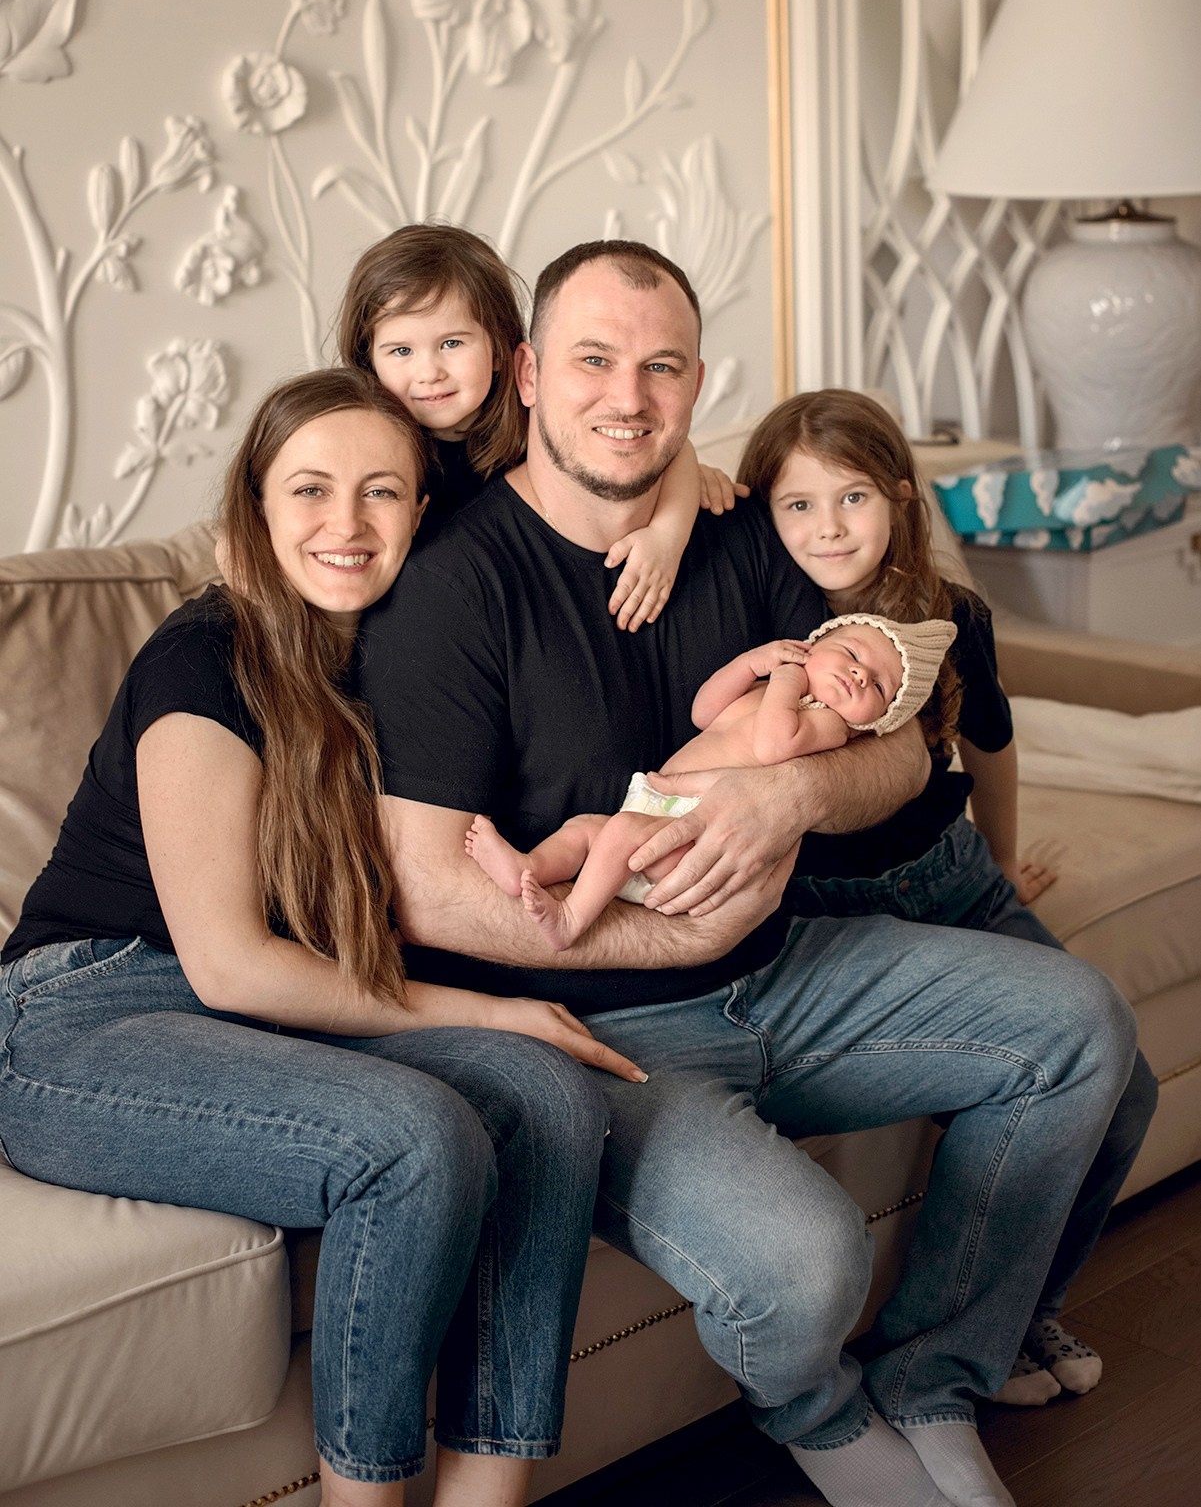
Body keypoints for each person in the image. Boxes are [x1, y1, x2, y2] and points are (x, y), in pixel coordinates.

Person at [357, 238, 1138, 1507]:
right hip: (590, 1035)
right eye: (596, 361)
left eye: (661, 367)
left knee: (1079, 1030)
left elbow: (899, 741)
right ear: (529, 371)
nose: (628, 397)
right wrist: (665, 942)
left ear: (698, 379)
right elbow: (423, 889)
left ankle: (933, 1378)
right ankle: (818, 1414)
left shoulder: (735, 530)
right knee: (804, 1261)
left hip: (788, 969)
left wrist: (789, 793)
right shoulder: (454, 586)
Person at [0, 368, 647, 1507]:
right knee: (411, 1141)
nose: (344, 526)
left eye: (382, 493)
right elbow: (230, 962)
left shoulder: (405, 659)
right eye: (309, 490)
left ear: (421, 512)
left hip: (255, 1014)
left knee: (549, 1098)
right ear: (255, 507)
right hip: (79, 1014)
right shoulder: (203, 657)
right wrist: (490, 1008)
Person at [737, 388, 1159, 1408]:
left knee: (1127, 1086)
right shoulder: (760, 620)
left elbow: (991, 745)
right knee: (1026, 1063)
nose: (826, 529)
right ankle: (955, 1344)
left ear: (896, 499)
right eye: (796, 506)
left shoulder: (944, 613)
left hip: (953, 881)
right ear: (761, 512)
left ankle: (1016, 1317)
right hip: (826, 912)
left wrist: (1003, 863)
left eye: (850, 499)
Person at [334, 220, 739, 627]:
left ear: (500, 349)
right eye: (401, 350)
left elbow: (672, 447)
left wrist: (668, 536)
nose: (429, 372)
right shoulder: (370, 450)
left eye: (452, 344)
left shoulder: (536, 416)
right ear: (370, 361)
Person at [467, 614, 955, 950]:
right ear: (814, 643)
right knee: (586, 829)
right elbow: (704, 711)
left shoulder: (828, 723)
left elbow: (773, 746)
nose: (858, 674)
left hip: (699, 837)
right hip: (661, 810)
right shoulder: (773, 688)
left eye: (879, 686)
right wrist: (752, 665)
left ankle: (571, 920)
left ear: (876, 722)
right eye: (851, 652)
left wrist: (788, 681)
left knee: (614, 834)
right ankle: (528, 867)